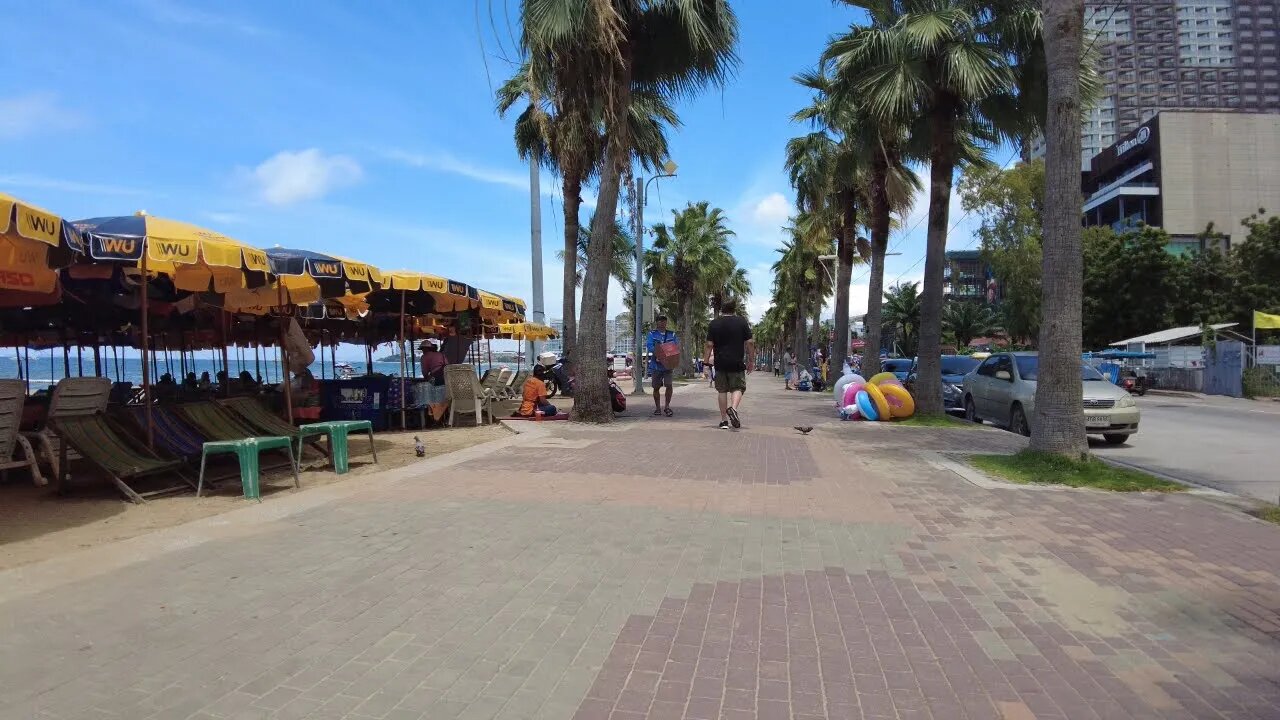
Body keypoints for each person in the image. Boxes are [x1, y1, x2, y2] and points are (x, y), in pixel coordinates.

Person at [705, 300, 754, 430]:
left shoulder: (714, 323)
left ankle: (723, 421)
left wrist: (705, 363)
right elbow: (749, 343)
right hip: (736, 362)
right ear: (734, 309)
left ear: (722, 309)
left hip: (720, 363)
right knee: (738, 387)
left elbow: (709, 345)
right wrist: (751, 361)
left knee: (722, 390)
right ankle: (733, 408)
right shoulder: (742, 322)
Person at [645, 315, 677, 417]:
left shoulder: (671, 334)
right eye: (660, 321)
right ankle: (657, 408)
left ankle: (667, 407)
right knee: (656, 387)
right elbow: (650, 346)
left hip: (668, 365)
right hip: (656, 365)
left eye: (664, 321)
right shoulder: (652, 334)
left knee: (669, 385)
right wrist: (658, 354)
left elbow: (675, 346)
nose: (662, 323)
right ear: (657, 322)